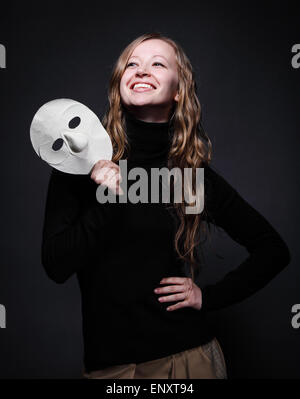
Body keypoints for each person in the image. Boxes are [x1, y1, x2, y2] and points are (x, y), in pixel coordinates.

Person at [41, 32, 291, 379]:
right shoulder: (78, 163)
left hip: (187, 361)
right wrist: (110, 197)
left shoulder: (190, 175)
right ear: (119, 83)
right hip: (110, 368)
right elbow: (55, 265)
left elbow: (273, 250)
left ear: (178, 91)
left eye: (157, 64)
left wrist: (208, 297)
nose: (142, 71)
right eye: (132, 64)